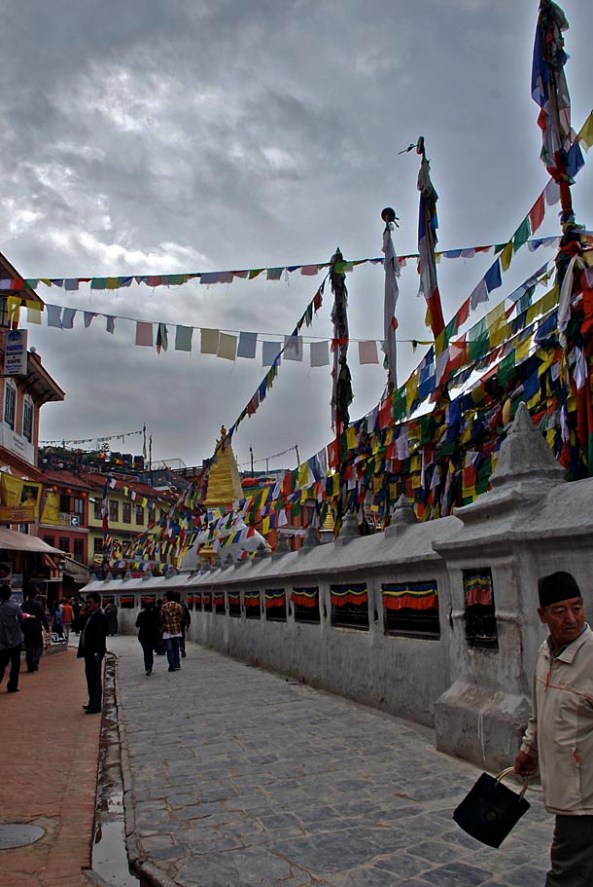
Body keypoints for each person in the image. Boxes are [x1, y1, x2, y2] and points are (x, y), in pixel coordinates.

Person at [514, 571, 593, 886]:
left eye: (577, 607)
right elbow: (540, 711)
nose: (571, 618)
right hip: (565, 786)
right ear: (542, 615)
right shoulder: (545, 655)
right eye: (560, 611)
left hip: (586, 794)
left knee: (567, 871)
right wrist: (528, 748)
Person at [77, 592, 108, 714]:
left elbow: (101, 636)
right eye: (87, 603)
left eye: (90, 603)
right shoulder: (89, 615)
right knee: (90, 677)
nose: (88, 605)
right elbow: (79, 626)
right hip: (88, 652)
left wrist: (97, 652)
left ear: (97, 603)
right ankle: (91, 701)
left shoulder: (100, 616)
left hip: (95, 653)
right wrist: (81, 614)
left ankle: (96, 704)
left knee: (95, 678)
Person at [0, 583, 24, 693]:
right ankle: (12, 686)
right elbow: (21, 620)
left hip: (2, 642)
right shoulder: (15, 607)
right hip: (15, 640)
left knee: (1, 664)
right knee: (15, 665)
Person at [21, 587, 49, 672]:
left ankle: (30, 666)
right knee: (38, 646)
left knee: (29, 648)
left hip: (27, 630)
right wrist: (47, 627)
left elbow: (21, 617)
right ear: (35, 594)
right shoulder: (38, 604)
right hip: (36, 629)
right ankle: (35, 659)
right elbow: (43, 617)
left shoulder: (23, 605)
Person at [135, 600, 161, 676]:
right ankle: (150, 666)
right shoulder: (154, 614)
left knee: (146, 652)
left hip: (143, 636)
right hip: (153, 636)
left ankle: (147, 668)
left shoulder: (141, 614)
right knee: (150, 651)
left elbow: (137, 625)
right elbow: (159, 624)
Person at [161, 590, 183, 672]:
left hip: (167, 631)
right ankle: (177, 663)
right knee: (176, 648)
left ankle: (171, 665)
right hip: (177, 630)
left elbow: (161, 618)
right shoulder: (178, 606)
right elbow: (180, 617)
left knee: (169, 649)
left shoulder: (164, 607)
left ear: (168, 597)